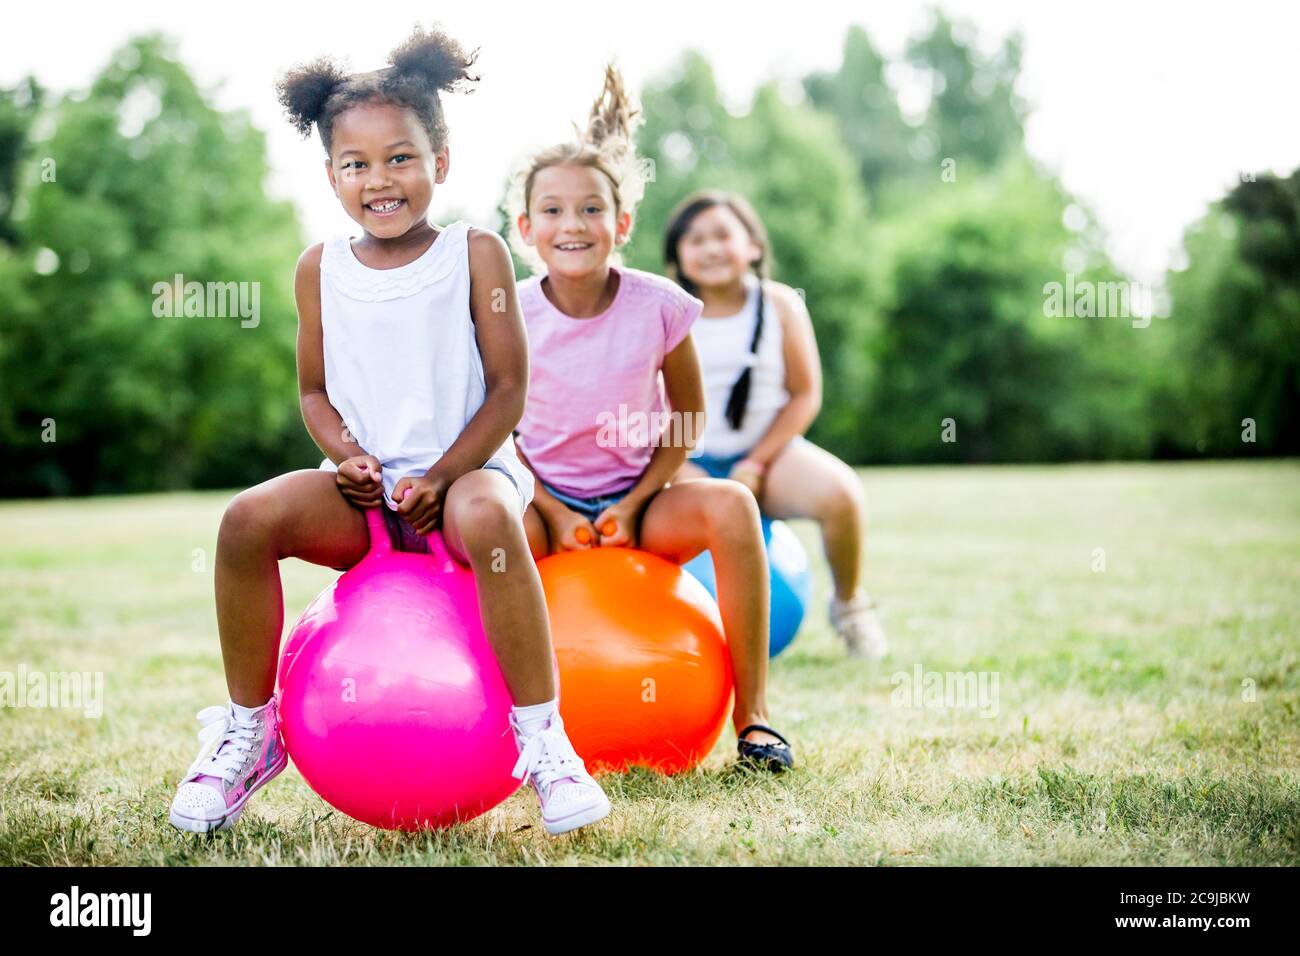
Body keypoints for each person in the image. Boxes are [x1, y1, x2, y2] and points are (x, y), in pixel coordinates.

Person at [168, 27, 610, 837]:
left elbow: (510, 390)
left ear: (441, 160)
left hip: (468, 476)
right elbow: (313, 393)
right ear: (331, 174)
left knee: (485, 514)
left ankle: (545, 743)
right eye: (356, 164)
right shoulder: (318, 268)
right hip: (367, 497)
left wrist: (443, 475)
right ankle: (250, 731)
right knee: (244, 520)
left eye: (401, 157)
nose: (380, 180)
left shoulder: (476, 255)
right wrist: (348, 458)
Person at [505, 66, 795, 771]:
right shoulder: (509, 309)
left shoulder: (660, 304)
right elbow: (493, 428)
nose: (572, 224)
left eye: (591, 209)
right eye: (552, 210)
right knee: (491, 527)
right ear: (524, 227)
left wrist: (637, 503)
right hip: (542, 502)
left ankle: (754, 719)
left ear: (622, 223)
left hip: (640, 498)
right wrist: (547, 505)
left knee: (731, 504)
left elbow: (687, 420)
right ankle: (511, 727)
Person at [664, 191, 887, 659]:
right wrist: (679, 470)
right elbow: (647, 404)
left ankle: (850, 607)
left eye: (723, 235)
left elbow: (804, 394)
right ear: (677, 257)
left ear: (753, 247)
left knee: (841, 494)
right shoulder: (666, 311)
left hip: (766, 457)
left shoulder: (782, 305)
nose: (709, 249)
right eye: (694, 239)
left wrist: (756, 462)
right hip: (687, 464)